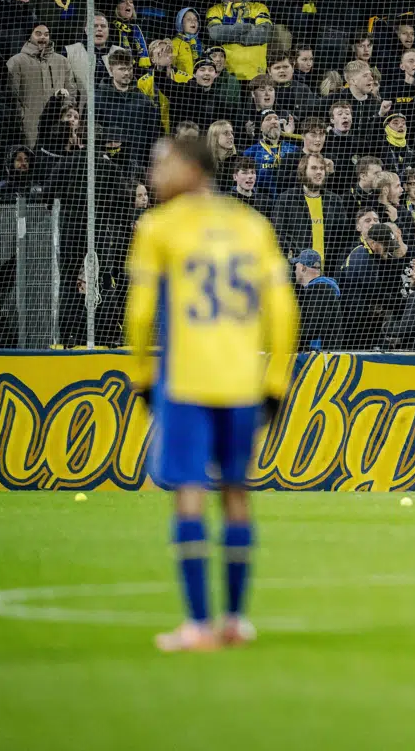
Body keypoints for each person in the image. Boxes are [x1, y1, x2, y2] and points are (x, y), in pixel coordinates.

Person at [122, 136, 299, 652]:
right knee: (239, 496)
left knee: (190, 495)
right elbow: (283, 310)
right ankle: (236, 622)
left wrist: (141, 374)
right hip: (244, 381)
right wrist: (277, 382)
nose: (154, 175)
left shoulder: (158, 227)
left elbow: (138, 313)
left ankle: (198, 624)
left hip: (189, 381)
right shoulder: (252, 224)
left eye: (163, 164)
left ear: (194, 170)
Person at [292, 248, 342, 352]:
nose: (295, 270)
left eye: (296, 266)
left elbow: (314, 326)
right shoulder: (319, 288)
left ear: (303, 268)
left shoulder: (320, 290)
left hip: (318, 355)